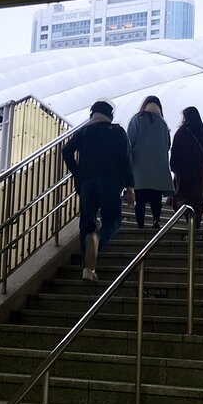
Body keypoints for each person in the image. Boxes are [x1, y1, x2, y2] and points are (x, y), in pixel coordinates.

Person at [62, 100, 135, 281]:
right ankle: (98, 242)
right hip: (110, 182)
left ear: (92, 114)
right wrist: (130, 185)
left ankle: (87, 268)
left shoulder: (84, 131)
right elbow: (126, 160)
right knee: (112, 219)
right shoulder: (118, 132)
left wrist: (77, 173)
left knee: (87, 224)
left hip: (87, 183)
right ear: (110, 115)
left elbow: (66, 151)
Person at [126, 95, 175, 230]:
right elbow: (168, 145)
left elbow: (129, 142)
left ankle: (140, 225)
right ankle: (156, 221)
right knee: (156, 198)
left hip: (140, 169)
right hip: (158, 169)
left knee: (140, 199)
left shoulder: (137, 119)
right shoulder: (163, 124)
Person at [169, 106, 203, 230]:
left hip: (184, 172)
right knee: (199, 199)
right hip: (202, 172)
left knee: (183, 199)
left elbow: (175, 153)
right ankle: (195, 224)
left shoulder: (181, 133)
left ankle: (190, 222)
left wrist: (174, 168)